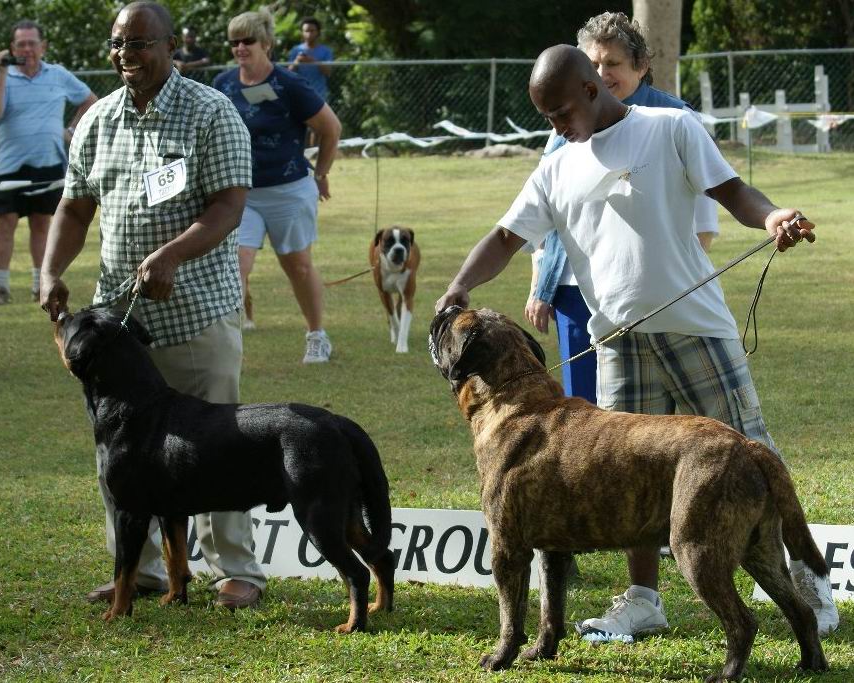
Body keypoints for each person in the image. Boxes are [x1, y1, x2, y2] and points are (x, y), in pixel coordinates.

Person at [435, 44, 839, 641]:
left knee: (751, 451)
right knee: (622, 477)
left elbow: (732, 191)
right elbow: (504, 237)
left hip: (696, 326)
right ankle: (645, 600)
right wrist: (458, 288)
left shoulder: (670, 127)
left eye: (563, 113)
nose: (557, 127)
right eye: (546, 118)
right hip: (617, 341)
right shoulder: (555, 165)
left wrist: (774, 215)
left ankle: (808, 588)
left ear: (595, 90)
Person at [40, 1, 266, 610]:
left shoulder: (210, 113)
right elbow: (74, 207)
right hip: (119, 330)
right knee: (121, 450)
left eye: (138, 44)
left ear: (170, 46)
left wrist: (172, 254)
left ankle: (234, 570)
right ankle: (136, 570)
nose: (124, 56)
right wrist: (51, 269)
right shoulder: (98, 120)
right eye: (117, 45)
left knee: (221, 443)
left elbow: (227, 208)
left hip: (197, 311)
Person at [525, 12, 718, 404]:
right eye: (593, 64)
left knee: (646, 422)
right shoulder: (562, 128)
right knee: (584, 409)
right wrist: (539, 285)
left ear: (642, 66)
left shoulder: (677, 121)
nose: (600, 73)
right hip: (575, 291)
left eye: (612, 63)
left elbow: (703, 224)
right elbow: (544, 214)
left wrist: (671, 287)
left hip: (654, 295)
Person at [214, 8, 341, 363]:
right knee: (236, 263)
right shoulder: (223, 85)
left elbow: (331, 128)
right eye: (234, 42)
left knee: (298, 267)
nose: (240, 48)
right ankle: (225, 341)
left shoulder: (289, 84)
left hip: (289, 190)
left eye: (247, 40)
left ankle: (317, 335)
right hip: (241, 194)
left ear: (266, 44)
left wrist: (321, 173)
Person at [0, 19, 97, 305]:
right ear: (12, 48)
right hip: (8, 165)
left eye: (32, 43)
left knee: (42, 225)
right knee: (4, 225)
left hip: (47, 165)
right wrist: (2, 71)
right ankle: (1, 289)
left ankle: (40, 285)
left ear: (42, 46)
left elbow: (90, 101)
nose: (27, 49)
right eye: (21, 44)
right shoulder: (1, 76)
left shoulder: (58, 74)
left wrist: (71, 132)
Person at [287, 16, 333, 101]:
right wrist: (297, 61)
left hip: (320, 95)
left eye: (312, 31)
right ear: (302, 33)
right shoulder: (296, 50)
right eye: (306, 31)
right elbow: (288, 73)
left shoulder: (326, 51)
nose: (309, 34)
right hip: (299, 94)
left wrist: (313, 61)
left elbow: (328, 72)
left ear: (318, 32)